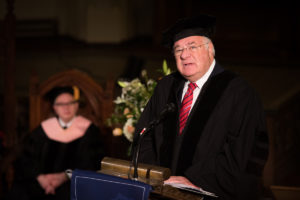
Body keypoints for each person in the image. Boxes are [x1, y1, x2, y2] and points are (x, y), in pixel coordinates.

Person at [133, 15, 269, 199]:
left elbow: (245, 152)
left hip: (209, 192)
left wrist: (193, 180)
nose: (184, 54)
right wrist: (154, 177)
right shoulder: (166, 87)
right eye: (178, 49)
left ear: (210, 50)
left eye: (192, 47)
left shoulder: (239, 92)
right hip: (162, 191)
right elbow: (144, 136)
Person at [5, 86, 105, 200]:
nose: (66, 107)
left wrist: (64, 176)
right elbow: (26, 159)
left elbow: (94, 163)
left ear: (76, 105)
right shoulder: (43, 129)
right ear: (54, 108)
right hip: (40, 182)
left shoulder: (90, 130)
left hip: (73, 182)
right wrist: (41, 178)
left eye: (70, 103)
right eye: (60, 104)